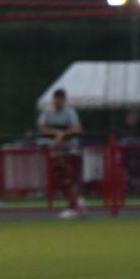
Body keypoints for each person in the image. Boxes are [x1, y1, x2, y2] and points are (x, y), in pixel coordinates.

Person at [38, 88, 85, 219]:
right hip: (56, 150)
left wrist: (63, 135)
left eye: (60, 99)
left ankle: (73, 205)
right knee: (60, 178)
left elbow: (77, 128)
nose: (58, 102)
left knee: (71, 177)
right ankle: (75, 202)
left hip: (70, 149)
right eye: (56, 99)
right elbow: (42, 129)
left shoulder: (70, 112)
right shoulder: (47, 111)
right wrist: (56, 134)